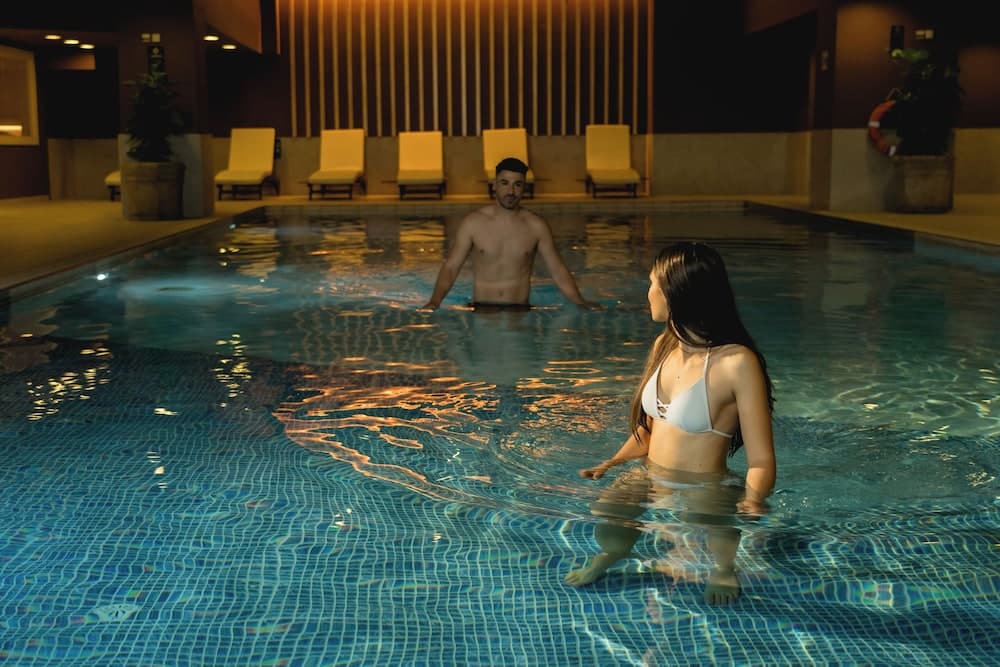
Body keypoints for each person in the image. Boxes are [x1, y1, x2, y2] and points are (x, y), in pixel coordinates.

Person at [565, 242, 775, 605]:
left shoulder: (736, 363)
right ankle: (615, 553)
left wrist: (753, 501)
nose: (647, 292)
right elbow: (651, 429)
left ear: (679, 292)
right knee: (605, 510)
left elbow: (761, 460)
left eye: (653, 284)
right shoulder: (665, 345)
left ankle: (724, 567)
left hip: (704, 487)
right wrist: (612, 462)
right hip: (651, 474)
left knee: (708, 515)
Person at [420, 157, 599, 311]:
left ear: (524, 188)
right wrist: (434, 302)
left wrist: (580, 301)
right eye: (504, 183)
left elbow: (557, 270)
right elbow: (451, 267)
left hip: (519, 311)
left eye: (517, 185)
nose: (510, 191)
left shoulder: (536, 226)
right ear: (494, 185)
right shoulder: (473, 223)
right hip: (482, 310)